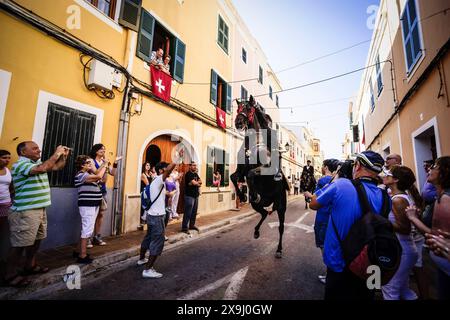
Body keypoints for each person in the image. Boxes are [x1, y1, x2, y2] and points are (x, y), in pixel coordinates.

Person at [308, 151, 388, 300]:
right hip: (370, 265)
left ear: (357, 166)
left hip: (340, 263)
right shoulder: (384, 195)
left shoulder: (341, 185)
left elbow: (313, 204)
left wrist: (335, 178)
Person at [4, 141, 69, 287]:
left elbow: (57, 166)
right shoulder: (21, 164)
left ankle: (30, 266)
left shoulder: (37, 162)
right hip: (25, 211)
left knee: (36, 241)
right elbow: (43, 168)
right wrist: (57, 153)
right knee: (19, 245)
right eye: (34, 149)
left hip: (39, 209)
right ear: (23, 152)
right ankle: (10, 275)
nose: (38, 150)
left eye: (38, 148)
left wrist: (63, 157)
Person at [406, 156, 450, 299]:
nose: (430, 169)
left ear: (444, 172)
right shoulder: (441, 196)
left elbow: (437, 237)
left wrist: (413, 218)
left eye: (435, 167)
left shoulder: (445, 199)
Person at [137, 150, 183, 278]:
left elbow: (165, 194)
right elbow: (168, 171)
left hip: (152, 215)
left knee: (148, 238)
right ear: (162, 171)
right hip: (157, 217)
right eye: (165, 168)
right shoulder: (158, 180)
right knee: (157, 241)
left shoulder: (156, 182)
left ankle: (141, 259)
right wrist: (177, 158)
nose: (168, 171)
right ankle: (148, 269)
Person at [380, 166, 421, 300]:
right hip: (403, 249)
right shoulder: (397, 197)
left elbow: (405, 228)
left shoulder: (398, 200)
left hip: (402, 250)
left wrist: (380, 221)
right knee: (404, 290)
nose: (384, 175)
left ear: (395, 179)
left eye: (388, 174)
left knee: (390, 288)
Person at [305, 159, 339, 285]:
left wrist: (309, 195)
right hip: (333, 217)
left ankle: (330, 274)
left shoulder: (323, 180)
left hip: (323, 216)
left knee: (324, 245)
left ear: (325, 167)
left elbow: (317, 198)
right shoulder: (339, 180)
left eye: (322, 166)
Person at [73, 156, 107, 264]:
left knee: (87, 228)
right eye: (88, 163)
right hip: (87, 205)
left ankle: (78, 251)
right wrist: (105, 166)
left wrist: (103, 164)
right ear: (82, 165)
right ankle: (82, 256)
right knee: (87, 229)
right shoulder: (81, 175)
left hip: (93, 204)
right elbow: (98, 176)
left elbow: (99, 177)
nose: (90, 164)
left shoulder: (88, 174)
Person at [88, 144, 122, 247]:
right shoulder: (91, 161)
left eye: (104, 149)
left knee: (101, 214)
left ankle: (97, 236)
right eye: (101, 149)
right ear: (96, 151)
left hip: (103, 190)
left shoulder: (105, 162)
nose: (103, 150)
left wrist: (115, 163)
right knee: (91, 215)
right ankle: (87, 237)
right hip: (93, 190)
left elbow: (113, 173)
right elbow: (96, 172)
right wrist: (105, 164)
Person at [0, 150, 13, 283]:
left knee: (2, 230)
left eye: (8, 158)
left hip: (5, 204)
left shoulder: (8, 171)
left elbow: (11, 187)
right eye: (4, 157)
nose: (7, 160)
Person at [182, 162, 202, 234]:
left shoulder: (195, 174)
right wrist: (196, 183)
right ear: (190, 166)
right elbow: (194, 183)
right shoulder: (188, 174)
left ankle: (191, 225)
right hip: (189, 196)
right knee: (188, 212)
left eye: (195, 165)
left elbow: (200, 181)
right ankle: (184, 227)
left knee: (194, 212)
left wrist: (196, 183)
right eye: (193, 165)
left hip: (196, 195)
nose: (195, 166)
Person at [140, 162, 152, 230]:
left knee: (148, 205)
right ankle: (143, 220)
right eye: (147, 165)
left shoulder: (149, 174)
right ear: (144, 166)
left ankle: (146, 220)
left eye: (149, 165)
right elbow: (148, 184)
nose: (148, 166)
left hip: (148, 191)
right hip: (144, 192)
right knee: (145, 206)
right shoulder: (143, 175)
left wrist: (152, 176)